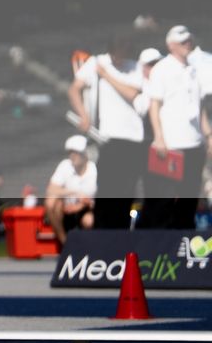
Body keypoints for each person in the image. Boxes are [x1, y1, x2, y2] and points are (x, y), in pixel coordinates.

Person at [69, 33, 147, 228]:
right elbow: (74, 89)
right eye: (114, 53)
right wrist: (84, 115)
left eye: (121, 53)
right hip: (108, 138)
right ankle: (103, 234)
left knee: (127, 190)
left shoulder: (134, 67)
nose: (117, 58)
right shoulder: (96, 62)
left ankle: (121, 233)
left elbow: (132, 94)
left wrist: (106, 76)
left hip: (133, 139)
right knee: (106, 190)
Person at [144, 25, 207, 230]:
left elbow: (200, 106)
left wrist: (208, 134)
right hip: (172, 144)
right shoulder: (162, 68)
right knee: (164, 197)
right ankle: (160, 242)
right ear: (171, 45)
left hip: (194, 143)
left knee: (190, 196)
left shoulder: (194, 68)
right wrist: (159, 137)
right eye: (182, 42)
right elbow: (155, 105)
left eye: (189, 40)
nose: (187, 44)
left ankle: (183, 238)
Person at [43, 135, 96, 244]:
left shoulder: (94, 170)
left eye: (76, 153)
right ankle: (65, 243)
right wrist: (74, 192)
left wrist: (82, 205)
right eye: (70, 152)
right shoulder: (65, 166)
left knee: (89, 221)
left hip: (87, 210)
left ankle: (88, 247)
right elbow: (51, 189)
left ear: (84, 154)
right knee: (51, 203)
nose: (72, 156)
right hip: (66, 211)